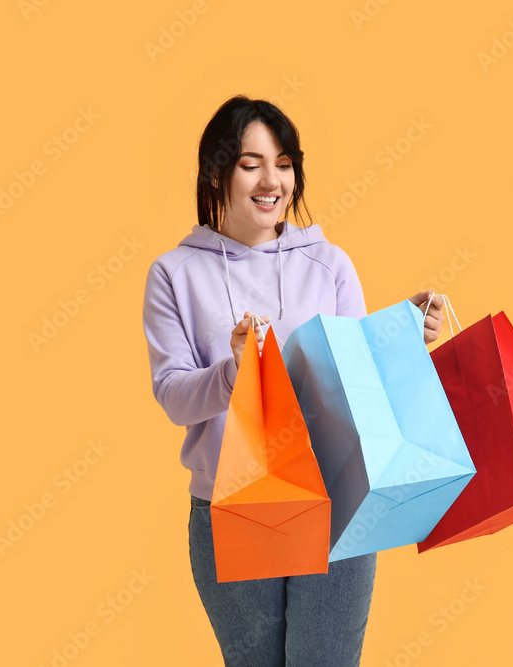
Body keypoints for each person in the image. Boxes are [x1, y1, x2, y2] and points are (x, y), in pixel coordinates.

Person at [142, 95, 445, 666]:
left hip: (336, 500)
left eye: (283, 163)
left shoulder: (330, 264)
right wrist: (234, 372)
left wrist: (402, 335)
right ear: (216, 172)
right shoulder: (174, 274)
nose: (271, 180)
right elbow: (174, 396)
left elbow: (354, 391)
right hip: (230, 508)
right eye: (250, 163)